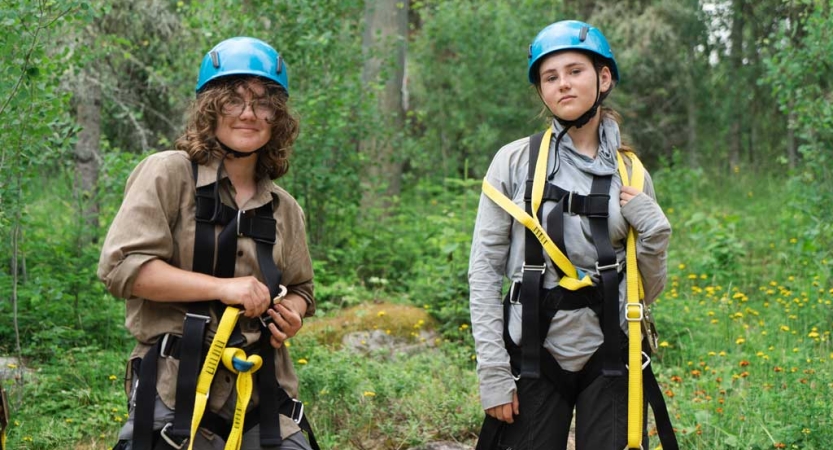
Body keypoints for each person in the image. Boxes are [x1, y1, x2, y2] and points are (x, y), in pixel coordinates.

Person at [99, 37, 318, 450]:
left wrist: (294, 311)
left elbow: (302, 288)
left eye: (263, 101)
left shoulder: (284, 209)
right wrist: (223, 288)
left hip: (262, 394)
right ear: (210, 109)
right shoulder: (167, 175)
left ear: (278, 116)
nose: (249, 113)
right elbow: (122, 267)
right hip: (172, 387)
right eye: (233, 100)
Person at [468, 20, 677, 450]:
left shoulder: (632, 174)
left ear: (603, 78)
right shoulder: (513, 163)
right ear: (541, 91)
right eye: (550, 77)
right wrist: (492, 373)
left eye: (574, 71)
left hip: (612, 356)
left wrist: (654, 232)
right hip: (532, 357)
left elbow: (647, 291)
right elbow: (484, 272)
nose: (563, 84)